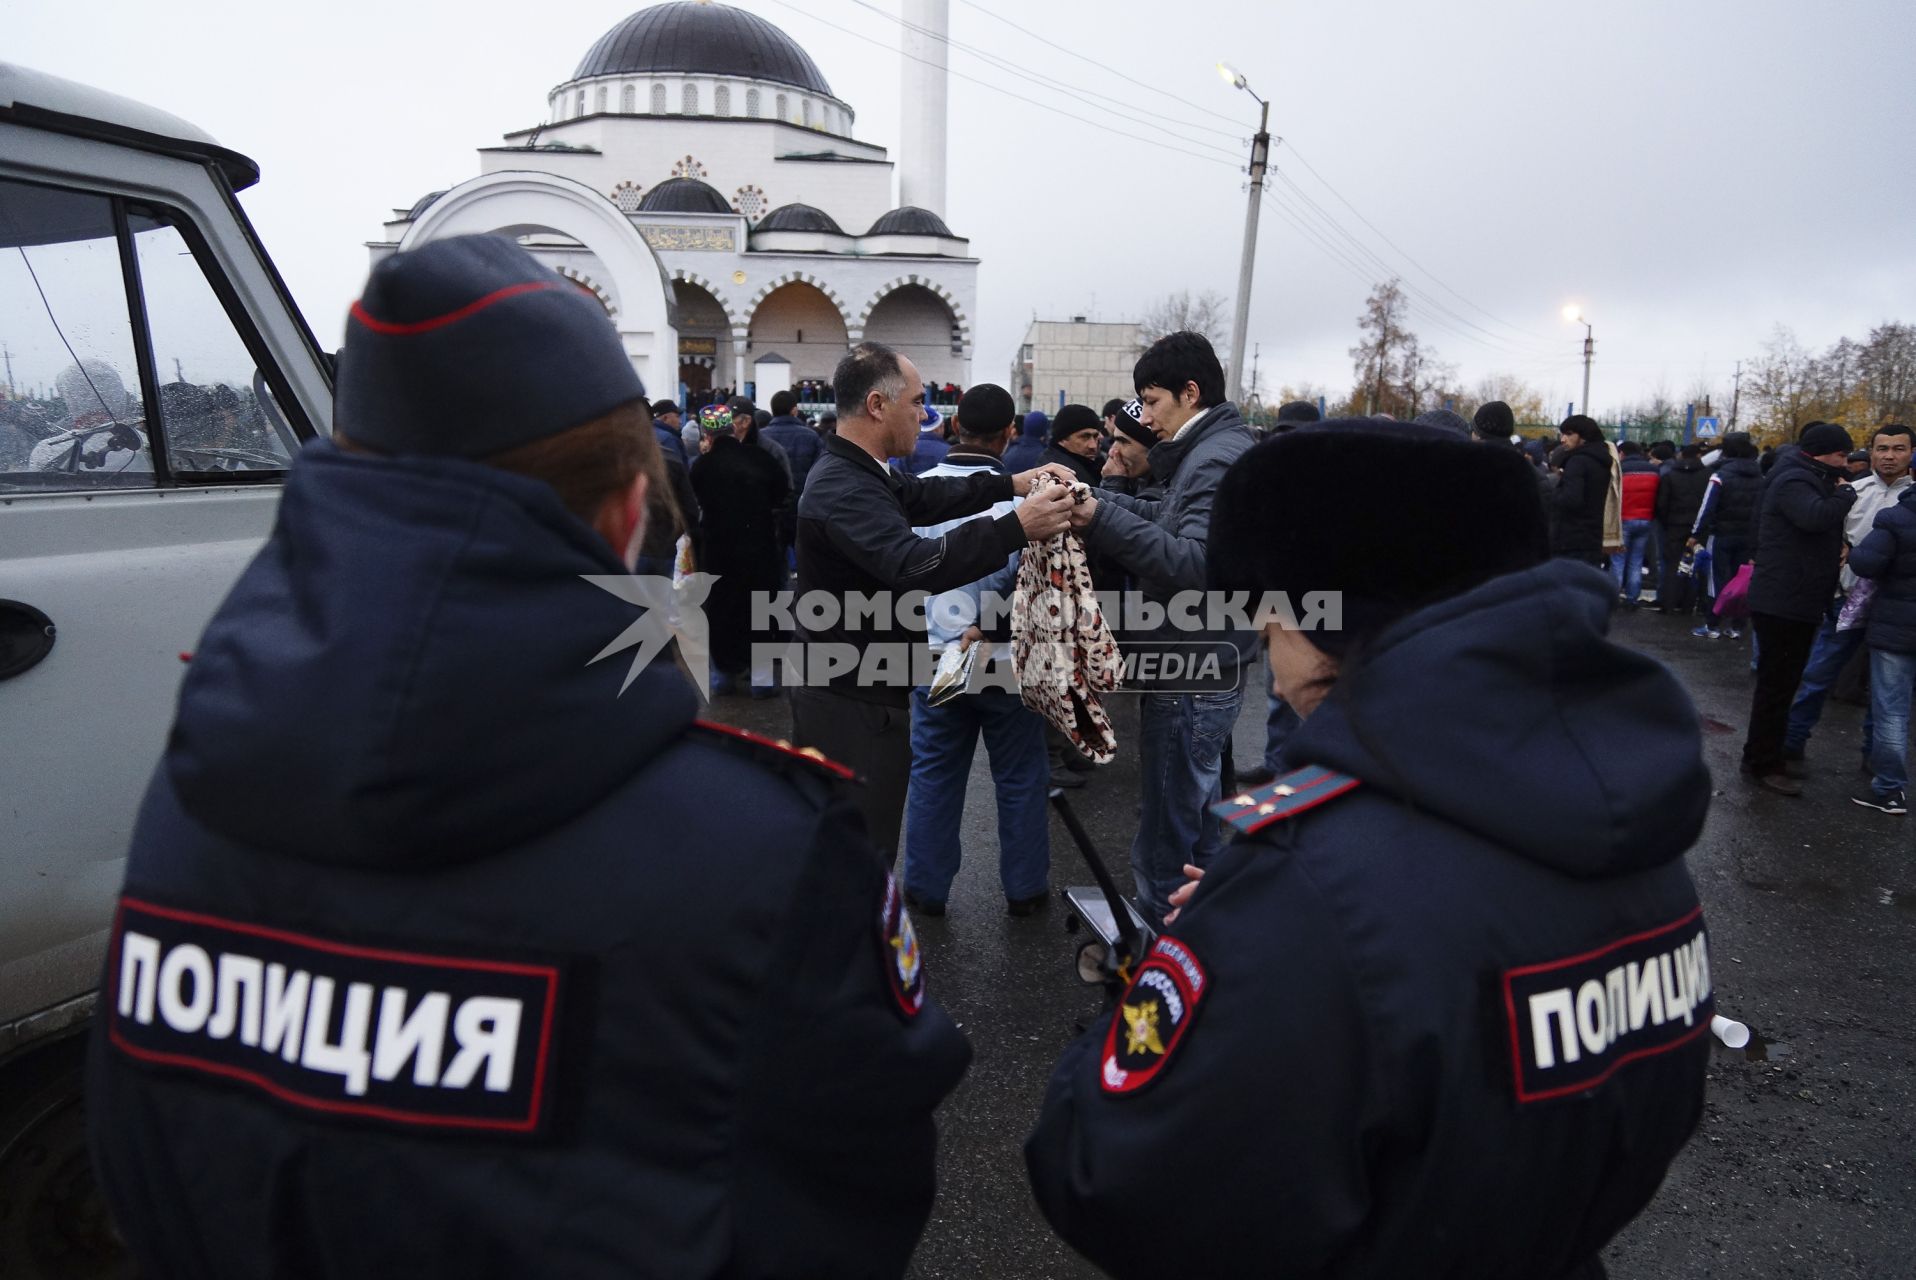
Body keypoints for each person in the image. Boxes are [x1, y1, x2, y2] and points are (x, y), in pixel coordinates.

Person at [85, 234, 970, 1279]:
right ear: (630, 513)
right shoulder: (757, 849)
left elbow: (133, 1148)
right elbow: (850, 1192)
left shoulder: (193, 789)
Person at [1025, 420, 1713, 1280]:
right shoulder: (1632, 819)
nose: (1269, 666)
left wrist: (1217, 954)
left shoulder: (1313, 879)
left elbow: (1107, 1173)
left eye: (1269, 620)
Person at [791, 342, 1075, 863]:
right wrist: (1017, 524)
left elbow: (923, 498)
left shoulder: (861, 469)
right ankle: (858, 942)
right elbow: (915, 565)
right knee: (859, 850)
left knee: (873, 834)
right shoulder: (844, 487)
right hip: (849, 701)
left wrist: (1010, 483)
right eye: (917, 403)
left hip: (864, 687)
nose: (925, 416)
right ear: (878, 405)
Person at [1063, 331, 1258, 924]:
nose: (1144, 416)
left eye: (1150, 401)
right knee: (1196, 826)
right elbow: (1167, 519)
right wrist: (1093, 499)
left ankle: (1165, 983)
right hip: (1197, 657)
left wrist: (1097, 515)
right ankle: (1200, 953)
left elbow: (1197, 565)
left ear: (1189, 393)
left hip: (1195, 664)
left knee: (1169, 840)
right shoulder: (1208, 449)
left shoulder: (1216, 456)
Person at [900, 384, 1051, 916]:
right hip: (1005, 657)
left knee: (935, 772)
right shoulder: (1026, 501)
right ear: (1009, 434)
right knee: (1019, 775)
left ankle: (924, 887)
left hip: (936, 654)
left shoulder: (918, 491)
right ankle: (1026, 890)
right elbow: (1038, 584)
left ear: (953, 426)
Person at [1784, 422, 1914, 773]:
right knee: (1817, 675)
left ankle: (1876, 757)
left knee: (1885, 690)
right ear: (1870, 452)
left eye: (1898, 449)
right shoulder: (1851, 491)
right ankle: (1792, 742)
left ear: (1911, 453)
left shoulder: (1913, 497)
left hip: (1897, 606)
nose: (1889, 456)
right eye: (1882, 448)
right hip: (1847, 598)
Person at [1740, 421, 1857, 795]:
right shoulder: (1795, 479)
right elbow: (1813, 517)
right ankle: (1764, 764)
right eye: (1841, 454)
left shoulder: (1806, 475)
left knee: (1781, 684)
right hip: (1784, 601)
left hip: (1793, 598)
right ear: (1822, 452)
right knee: (1777, 686)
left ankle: (1761, 753)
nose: (1846, 462)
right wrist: (1846, 496)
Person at [691, 403, 789, 696]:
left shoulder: (702, 466)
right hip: (759, 548)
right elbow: (781, 493)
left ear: (707, 433)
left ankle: (724, 674)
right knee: (760, 608)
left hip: (718, 551)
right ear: (732, 427)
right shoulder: (759, 458)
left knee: (721, 610)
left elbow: (693, 501)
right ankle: (761, 678)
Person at [1848, 478, 1916, 813]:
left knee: (1892, 710)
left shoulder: (1897, 517)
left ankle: (1889, 789)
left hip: (1897, 628)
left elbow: (1866, 564)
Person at [1688, 432, 1763, 639]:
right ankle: (1737, 626)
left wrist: (1695, 533)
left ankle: (1712, 624)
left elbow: (1707, 507)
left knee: (1716, 580)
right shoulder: (1760, 477)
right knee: (1742, 581)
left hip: (1720, 535)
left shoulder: (1720, 475)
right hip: (1748, 537)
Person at [1654, 443, 1711, 614]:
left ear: (1681, 455)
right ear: (1699, 456)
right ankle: (1688, 604)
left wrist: (1668, 522)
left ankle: (1669, 603)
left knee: (1672, 564)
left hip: (1675, 525)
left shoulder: (1670, 475)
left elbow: (1661, 504)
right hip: (1699, 527)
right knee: (1694, 566)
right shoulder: (1708, 475)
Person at [1550, 414, 1611, 566]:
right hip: (1593, 537)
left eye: (1569, 434)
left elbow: (1571, 499)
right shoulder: (1602, 460)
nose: (1563, 439)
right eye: (1562, 434)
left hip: (1571, 540)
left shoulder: (1577, 461)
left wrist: (1553, 494)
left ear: (1584, 436)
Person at [1614, 440, 1661, 607]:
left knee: (1618, 559)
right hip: (1646, 519)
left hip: (1624, 519)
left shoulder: (1619, 470)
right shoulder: (1654, 470)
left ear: (1622, 453)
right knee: (1636, 560)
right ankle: (1632, 598)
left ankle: (1614, 596)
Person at [1043, 403, 1105, 488]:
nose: (1093, 445)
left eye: (1095, 436)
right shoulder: (1061, 477)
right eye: (1085, 437)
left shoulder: (1085, 464)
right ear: (1062, 439)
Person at [650, 398, 686, 462]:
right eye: (677, 416)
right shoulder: (669, 439)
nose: (680, 421)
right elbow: (676, 469)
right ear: (665, 418)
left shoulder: (647, 433)